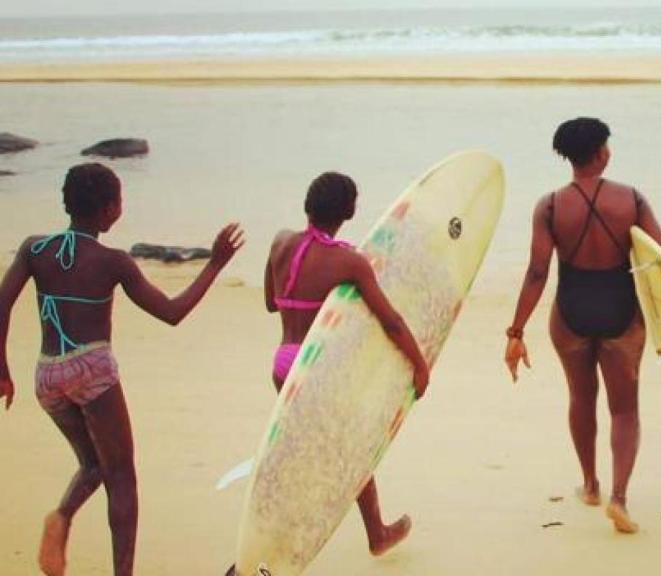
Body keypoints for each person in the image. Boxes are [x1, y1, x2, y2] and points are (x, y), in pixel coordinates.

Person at [0, 163, 244, 576]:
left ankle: (61, 517)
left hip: (47, 375)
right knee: (121, 478)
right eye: (119, 201)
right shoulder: (114, 262)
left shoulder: (33, 249)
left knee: (93, 464)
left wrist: (3, 370)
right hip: (92, 370)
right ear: (108, 210)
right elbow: (172, 312)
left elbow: (1, 306)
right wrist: (215, 263)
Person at [503, 117, 661, 534]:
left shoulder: (549, 206)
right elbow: (660, 258)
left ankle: (591, 485)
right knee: (624, 409)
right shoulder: (631, 199)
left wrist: (516, 330)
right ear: (601, 153)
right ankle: (620, 498)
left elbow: (537, 272)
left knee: (581, 397)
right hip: (620, 310)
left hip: (570, 311)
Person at [264, 171, 430, 555]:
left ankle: (275, 529)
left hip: (284, 364)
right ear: (350, 211)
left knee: (305, 449)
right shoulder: (349, 262)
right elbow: (391, 321)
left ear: (308, 204)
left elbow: (272, 302)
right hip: (317, 371)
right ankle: (377, 534)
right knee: (352, 451)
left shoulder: (280, 242)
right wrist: (419, 365)